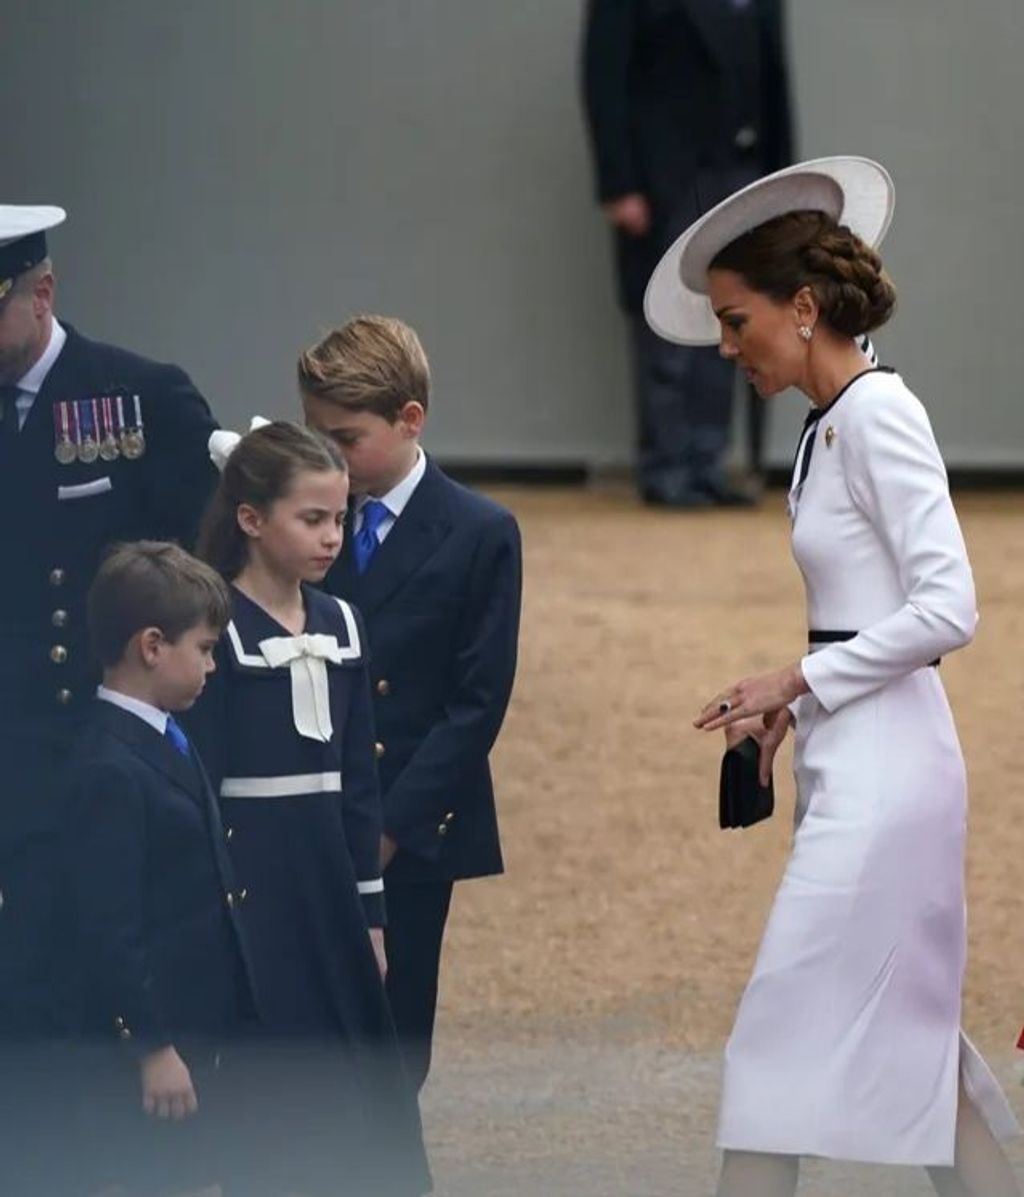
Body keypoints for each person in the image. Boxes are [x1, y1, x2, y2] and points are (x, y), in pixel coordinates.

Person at [646, 157, 1022, 1196]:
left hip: (889, 779)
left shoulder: (878, 414)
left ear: (802, 307)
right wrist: (796, 699)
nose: (726, 348)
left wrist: (794, 679)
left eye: (736, 322)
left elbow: (950, 607)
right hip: (856, 763)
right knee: (919, 1064)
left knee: (775, 1051)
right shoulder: (829, 426)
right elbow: (871, 613)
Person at [0, 205, 219, 1190]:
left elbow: (202, 572)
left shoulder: (138, 399)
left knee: (104, 964)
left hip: (102, 747)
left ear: (39, 293)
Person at [187, 420, 430, 1196]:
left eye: (341, 518)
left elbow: (357, 782)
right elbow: (199, 782)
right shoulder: (215, 631)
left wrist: (372, 914)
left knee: (351, 1076)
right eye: (312, 519)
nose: (333, 537)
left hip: (328, 885)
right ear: (252, 520)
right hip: (255, 884)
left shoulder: (343, 624)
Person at [298, 316, 522, 1092]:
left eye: (347, 438)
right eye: (316, 436)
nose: (330, 456)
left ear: (409, 420)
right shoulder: (300, 523)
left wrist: (389, 829)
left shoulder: (479, 530)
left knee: (393, 1042)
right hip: (308, 806)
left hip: (411, 824)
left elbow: (477, 701)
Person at [67, 540, 255, 1195]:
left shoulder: (167, 733)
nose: (211, 665)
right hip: (157, 1044)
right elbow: (109, 926)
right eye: (204, 648)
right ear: (152, 645)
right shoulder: (108, 768)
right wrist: (150, 1045)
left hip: (200, 1027)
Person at [581, 0, 793, 507]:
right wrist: (620, 183)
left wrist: (786, 185)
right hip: (665, 180)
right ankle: (667, 467)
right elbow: (603, 74)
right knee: (665, 317)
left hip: (742, 171)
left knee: (729, 319)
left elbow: (774, 81)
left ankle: (706, 463)